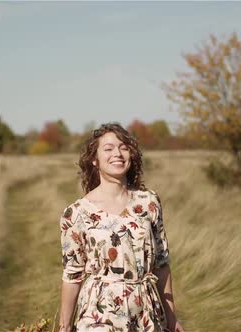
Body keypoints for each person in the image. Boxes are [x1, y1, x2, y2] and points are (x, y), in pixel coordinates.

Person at [58, 122, 185, 332]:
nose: (117, 153)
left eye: (123, 147)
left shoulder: (149, 202)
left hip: (146, 313)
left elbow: (161, 264)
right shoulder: (76, 213)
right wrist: (64, 327)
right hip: (98, 314)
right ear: (94, 160)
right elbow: (73, 275)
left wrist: (171, 318)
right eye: (108, 149)